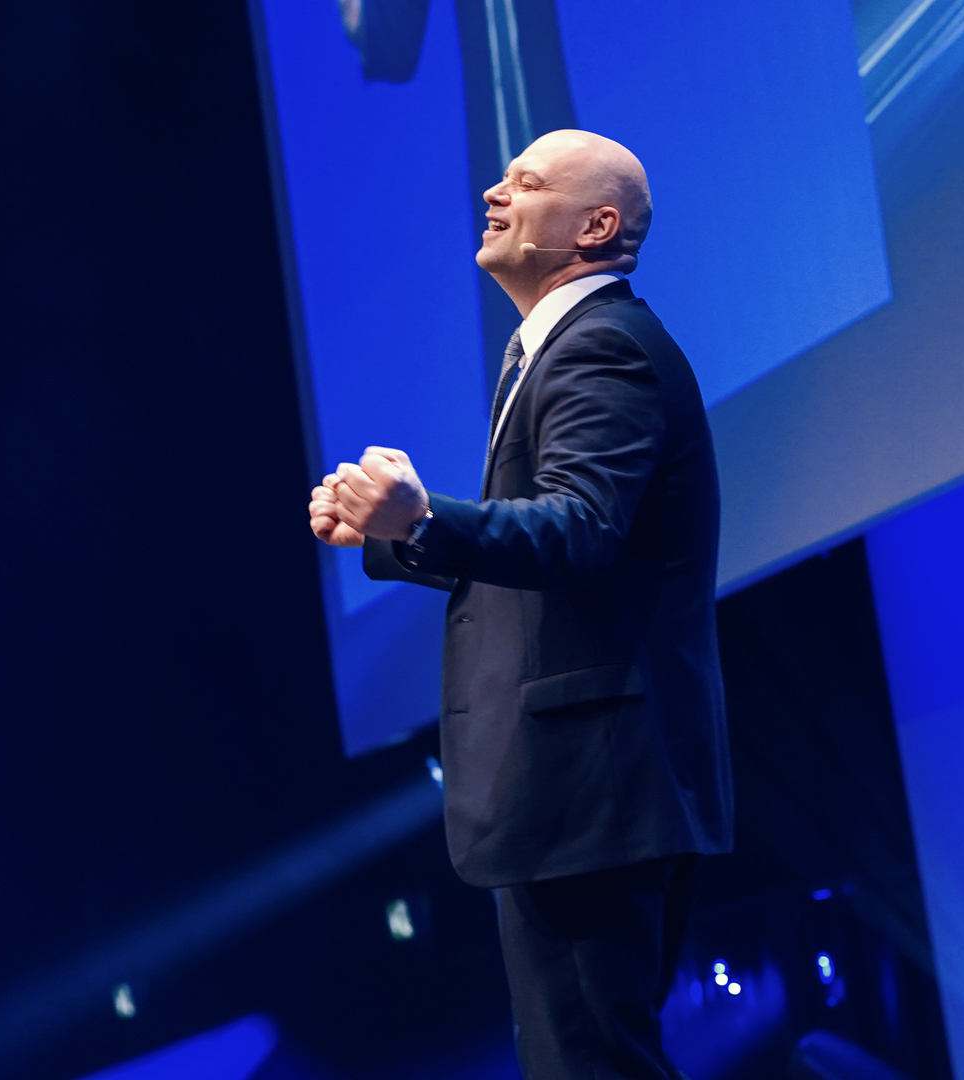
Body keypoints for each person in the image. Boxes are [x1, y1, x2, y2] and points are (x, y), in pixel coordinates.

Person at [307, 129, 732, 1080]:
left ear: (597, 227)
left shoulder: (602, 347)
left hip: (591, 787)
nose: (494, 195)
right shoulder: (562, 348)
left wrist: (426, 516)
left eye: (526, 183)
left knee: (592, 1065)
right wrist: (392, 535)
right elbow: (561, 561)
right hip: (589, 789)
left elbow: (579, 531)